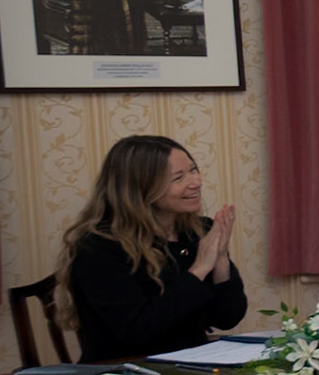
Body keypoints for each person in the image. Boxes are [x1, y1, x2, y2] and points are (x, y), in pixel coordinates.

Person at [55, 135, 246, 361]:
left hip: (192, 368)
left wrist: (220, 259)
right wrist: (199, 269)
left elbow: (227, 318)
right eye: (178, 178)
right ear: (141, 189)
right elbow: (137, 331)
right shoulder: (98, 247)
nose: (196, 182)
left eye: (193, 170)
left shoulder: (198, 231)